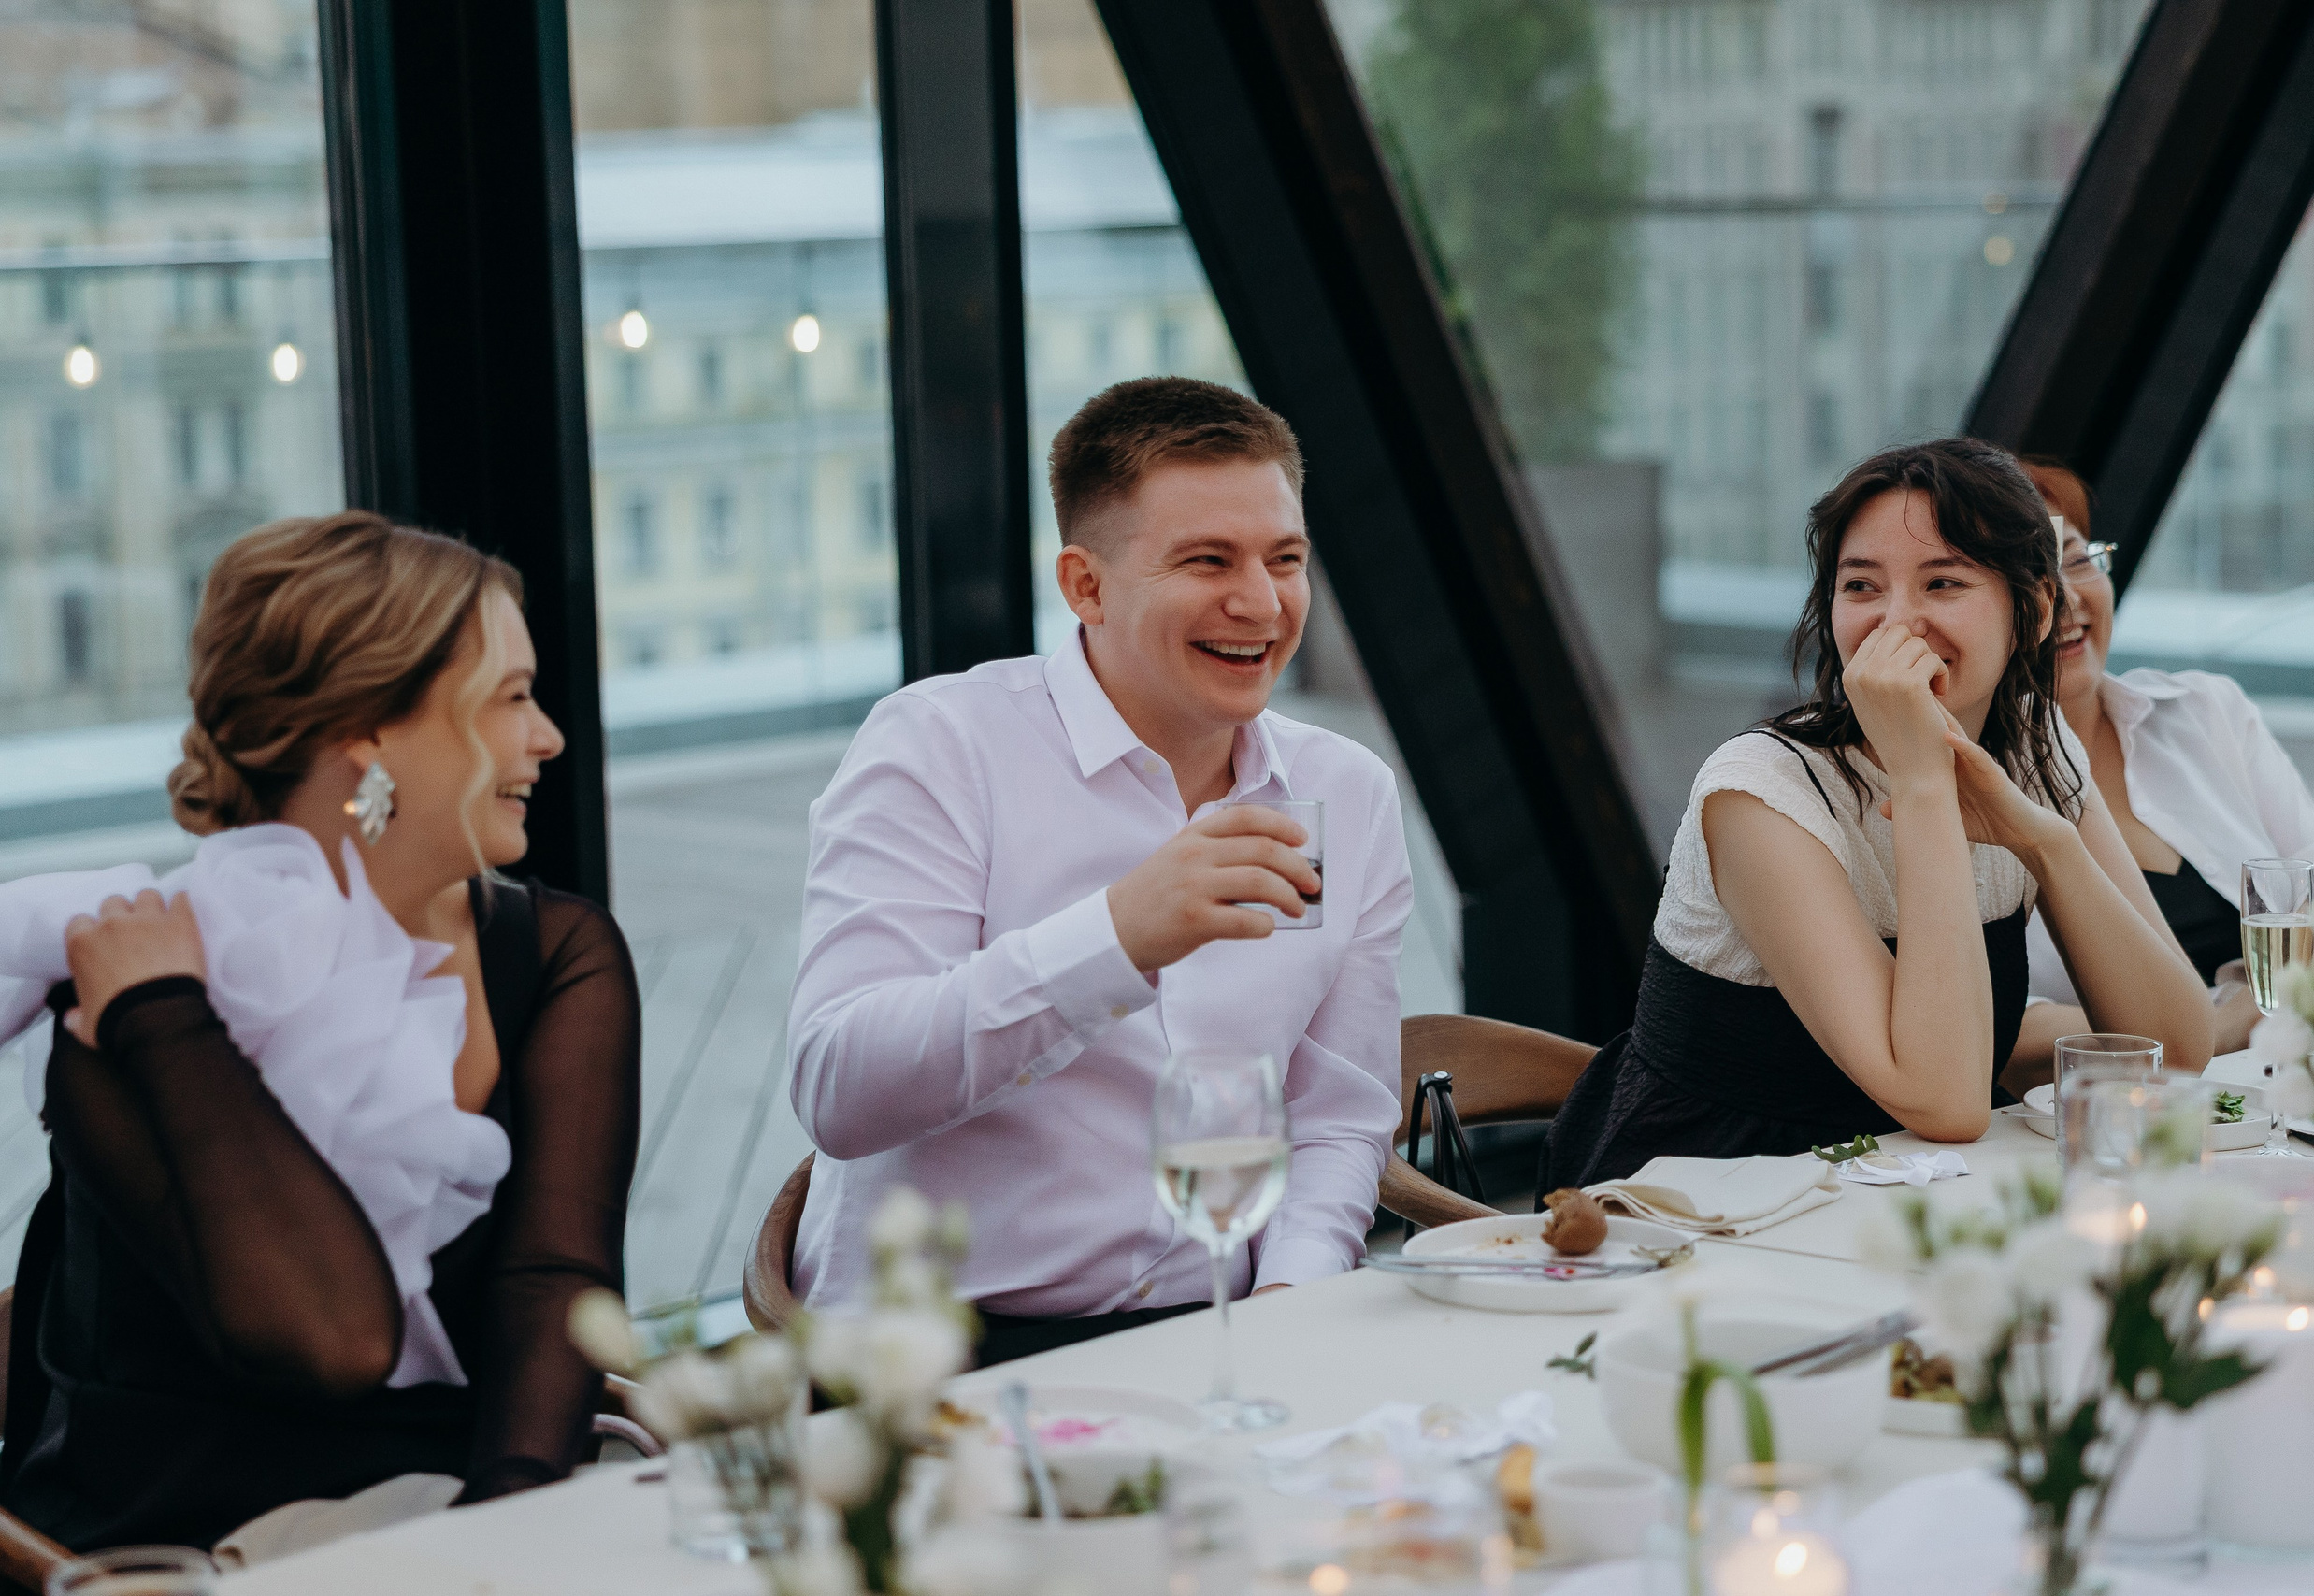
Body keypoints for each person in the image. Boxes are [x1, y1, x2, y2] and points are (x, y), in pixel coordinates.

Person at [0, 513, 639, 1553]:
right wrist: (170, 1024)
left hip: (451, 1509)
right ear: (370, 730)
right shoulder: (121, 985)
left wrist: (502, 1536)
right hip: (165, 1549)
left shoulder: (560, 953)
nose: (548, 737)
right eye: (510, 698)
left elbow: (553, 1280)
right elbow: (332, 1337)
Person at [784, 377, 1410, 1366]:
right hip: (938, 1353)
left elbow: (1338, 1114)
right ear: (1085, 586)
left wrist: (1295, 1304)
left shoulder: (1348, 793)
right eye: (1207, 561)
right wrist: (1118, 937)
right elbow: (839, 1089)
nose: (1261, 602)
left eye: (1282, 560)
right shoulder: (939, 746)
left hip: (1225, 1329)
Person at [1543, 439, 2211, 1187]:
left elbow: (2178, 1051)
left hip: (1909, 1195)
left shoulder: (2035, 746)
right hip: (1700, 1206)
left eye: (1944, 583)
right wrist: (1922, 779)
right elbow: (1946, 1100)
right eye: (1862, 586)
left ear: (2034, 610)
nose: (1899, 622)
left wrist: (2044, 842)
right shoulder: (1761, 793)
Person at [2013, 459, 2314, 1080]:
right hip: (2110, 1126)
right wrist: (2214, 1022)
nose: (2067, 598)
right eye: (2028, 576)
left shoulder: (2203, 712)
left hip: (2288, 1103)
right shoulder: (1972, 789)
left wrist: (2183, 1031)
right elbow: (2003, 1028)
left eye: (2077, 559)